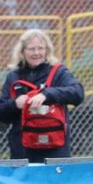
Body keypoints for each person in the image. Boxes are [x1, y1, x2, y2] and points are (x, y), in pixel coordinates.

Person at [0, 29, 84, 162]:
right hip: (22, 151)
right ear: (22, 52)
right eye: (31, 49)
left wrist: (47, 95)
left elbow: (77, 93)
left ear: (47, 51)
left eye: (40, 48)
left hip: (54, 150)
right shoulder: (13, 76)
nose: (36, 53)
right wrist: (15, 104)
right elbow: (2, 112)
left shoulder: (58, 72)